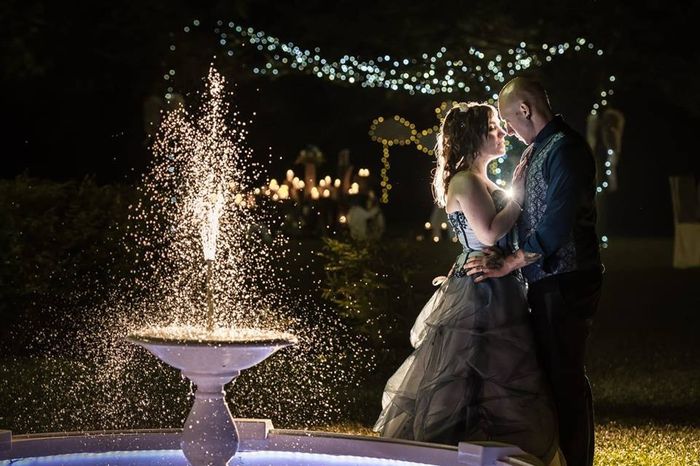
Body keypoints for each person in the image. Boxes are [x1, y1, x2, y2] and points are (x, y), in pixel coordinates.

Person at [374, 102, 562, 465]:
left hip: (492, 283)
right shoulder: (466, 180)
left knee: (496, 373)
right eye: (494, 126)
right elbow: (489, 233)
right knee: (471, 376)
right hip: (482, 291)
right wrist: (518, 190)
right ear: (475, 136)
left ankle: (494, 451)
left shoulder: (478, 179)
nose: (503, 132)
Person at [466, 77, 603, 466]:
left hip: (568, 278)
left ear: (525, 109)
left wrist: (509, 262)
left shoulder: (567, 150)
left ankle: (577, 460)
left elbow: (557, 225)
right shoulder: (538, 150)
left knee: (565, 375)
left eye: (508, 120)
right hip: (547, 280)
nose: (507, 130)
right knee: (555, 373)